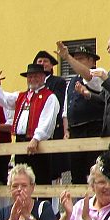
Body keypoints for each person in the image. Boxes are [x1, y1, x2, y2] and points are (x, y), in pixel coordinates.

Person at [0, 62, 60, 185]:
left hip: (39, 143)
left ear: (43, 77)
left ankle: (43, 204)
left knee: (41, 181)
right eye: (30, 76)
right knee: (21, 180)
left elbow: (46, 121)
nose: (33, 79)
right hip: (21, 142)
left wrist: (36, 138)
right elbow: (3, 99)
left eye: (36, 76)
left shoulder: (50, 97)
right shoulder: (21, 96)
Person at [57, 44, 106, 185]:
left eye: (81, 58)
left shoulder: (98, 73)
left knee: (94, 171)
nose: (77, 61)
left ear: (92, 61)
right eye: (75, 58)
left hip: (92, 129)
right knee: (76, 173)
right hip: (76, 131)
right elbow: (66, 109)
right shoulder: (72, 81)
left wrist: (67, 57)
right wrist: (66, 130)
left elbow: (88, 76)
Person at [36, 50, 69, 183]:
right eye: (39, 61)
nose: (42, 63)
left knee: (53, 173)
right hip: (37, 133)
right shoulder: (34, 86)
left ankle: (53, 204)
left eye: (45, 61)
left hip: (54, 131)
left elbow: (58, 105)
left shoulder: (58, 82)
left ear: (51, 66)